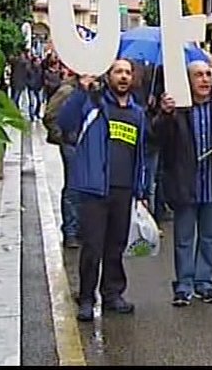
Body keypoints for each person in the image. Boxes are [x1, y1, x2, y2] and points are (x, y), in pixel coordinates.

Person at [56, 59, 148, 322]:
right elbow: (65, 121)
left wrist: (141, 188)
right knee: (92, 247)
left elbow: (141, 153)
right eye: (118, 71)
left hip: (124, 189)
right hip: (94, 190)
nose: (123, 76)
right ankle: (86, 298)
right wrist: (81, 91)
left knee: (115, 246)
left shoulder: (137, 113)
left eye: (127, 73)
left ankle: (112, 295)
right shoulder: (92, 104)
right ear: (108, 76)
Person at [154, 61, 212, 307]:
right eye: (199, 75)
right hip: (185, 183)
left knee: (209, 237)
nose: (204, 80)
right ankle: (183, 285)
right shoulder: (178, 109)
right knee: (184, 238)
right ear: (189, 81)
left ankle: (205, 283)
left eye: (208, 75)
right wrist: (165, 114)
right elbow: (158, 138)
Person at [42, 69, 81, 248]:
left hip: (86, 145)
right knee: (73, 188)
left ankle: (78, 227)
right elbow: (49, 115)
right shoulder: (68, 91)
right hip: (72, 144)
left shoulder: (97, 92)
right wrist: (62, 137)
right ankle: (70, 231)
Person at [26, 56, 44, 121]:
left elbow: (42, 77)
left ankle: (37, 112)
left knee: (39, 101)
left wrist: (42, 85)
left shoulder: (40, 69)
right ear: (34, 62)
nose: (39, 63)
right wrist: (29, 84)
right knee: (32, 102)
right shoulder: (29, 69)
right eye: (37, 61)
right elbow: (26, 78)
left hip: (38, 87)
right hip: (31, 88)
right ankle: (32, 115)